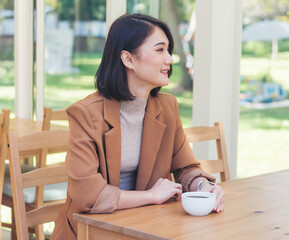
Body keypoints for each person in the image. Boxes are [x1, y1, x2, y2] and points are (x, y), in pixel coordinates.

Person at [51, 14, 225, 240]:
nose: (170, 59)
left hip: (147, 227)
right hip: (92, 232)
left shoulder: (167, 106)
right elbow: (87, 195)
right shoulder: (85, 114)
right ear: (128, 59)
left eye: (168, 50)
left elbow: (185, 167)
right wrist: (151, 196)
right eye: (160, 50)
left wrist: (202, 187)